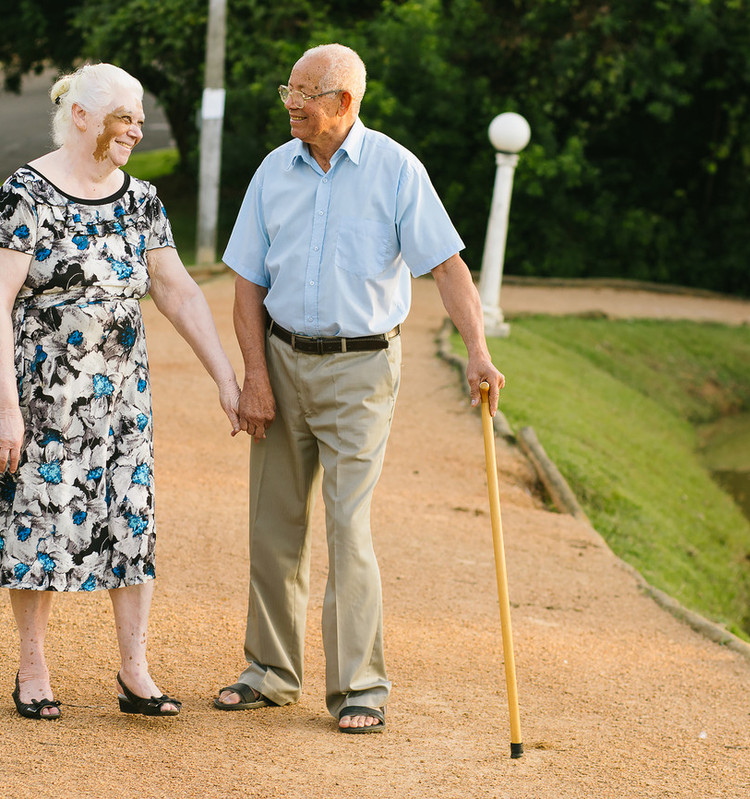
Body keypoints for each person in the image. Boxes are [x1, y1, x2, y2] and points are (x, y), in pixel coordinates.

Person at [0, 63, 243, 720]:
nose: (136, 129)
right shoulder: (23, 194)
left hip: (120, 403)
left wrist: (224, 376)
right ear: (80, 116)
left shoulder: (141, 200)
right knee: (35, 523)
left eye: (139, 119)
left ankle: (135, 671)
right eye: (123, 117)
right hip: (39, 397)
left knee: (131, 522)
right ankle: (33, 668)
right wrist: (6, 409)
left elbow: (177, 291)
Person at [215, 43, 505, 733]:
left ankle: (358, 687)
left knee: (348, 527)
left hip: (363, 368)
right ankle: (269, 673)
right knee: (273, 524)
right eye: (288, 89)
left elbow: (447, 267)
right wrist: (254, 375)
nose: (291, 103)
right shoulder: (273, 170)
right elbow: (248, 281)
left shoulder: (397, 169)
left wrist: (477, 351)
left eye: (305, 93)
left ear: (344, 101)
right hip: (281, 359)